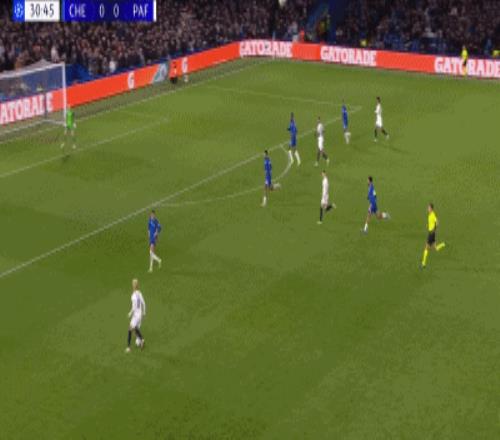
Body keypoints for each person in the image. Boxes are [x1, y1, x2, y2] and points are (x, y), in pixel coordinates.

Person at [421, 203, 446, 268]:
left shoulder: (432, 215)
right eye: (428, 207)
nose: (428, 209)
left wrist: (434, 229)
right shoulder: (430, 214)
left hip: (431, 234)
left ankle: (423, 263)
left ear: (431, 209)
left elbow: (437, 222)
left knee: (426, 248)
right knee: (435, 248)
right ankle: (443, 244)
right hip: (432, 233)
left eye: (429, 208)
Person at [125, 278, 146, 353]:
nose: (132, 285)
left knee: (130, 329)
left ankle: (128, 347)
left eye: (133, 284)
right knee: (135, 328)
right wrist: (144, 313)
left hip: (136, 315)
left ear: (134, 286)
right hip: (140, 314)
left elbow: (134, 307)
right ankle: (141, 340)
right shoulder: (139, 293)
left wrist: (130, 313)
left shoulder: (133, 296)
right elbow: (143, 303)